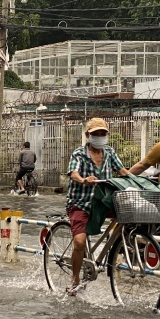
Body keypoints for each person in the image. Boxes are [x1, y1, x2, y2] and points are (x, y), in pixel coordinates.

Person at [65, 118, 130, 296]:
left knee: (128, 216)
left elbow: (122, 171)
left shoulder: (109, 152)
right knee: (79, 242)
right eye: (96, 134)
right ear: (88, 135)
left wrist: (137, 180)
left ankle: (119, 250)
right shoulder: (79, 153)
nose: (100, 136)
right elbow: (73, 173)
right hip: (81, 202)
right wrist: (83, 180)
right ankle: (75, 280)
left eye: (103, 133)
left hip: (104, 201)